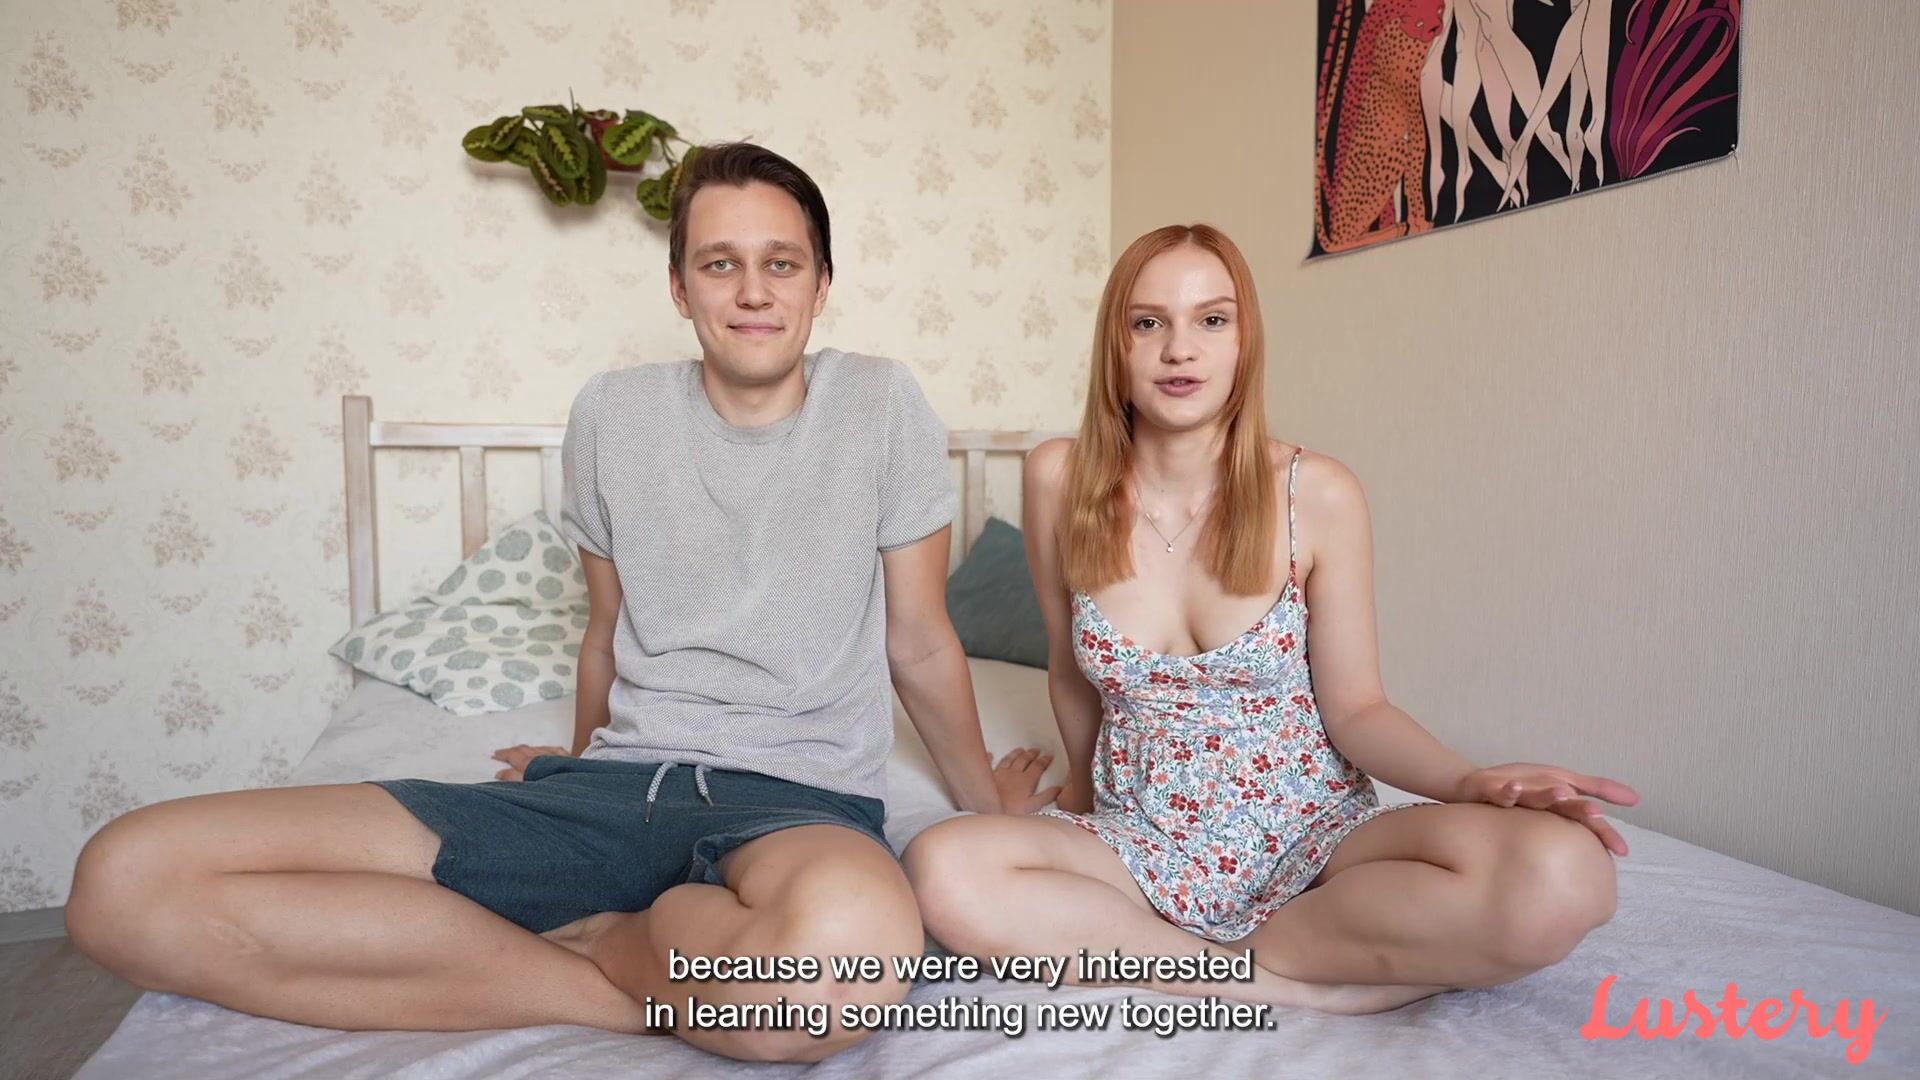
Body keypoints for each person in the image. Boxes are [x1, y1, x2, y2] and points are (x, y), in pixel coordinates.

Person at [65, 142, 1055, 1064]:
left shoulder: (879, 404)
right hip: (611, 793)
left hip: (798, 806)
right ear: (679, 287)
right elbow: (606, 631)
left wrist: (982, 804)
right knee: (125, 880)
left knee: (839, 971)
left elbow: (919, 641)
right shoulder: (613, 414)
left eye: (781, 264)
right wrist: (573, 764)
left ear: (822, 283)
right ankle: (619, 972)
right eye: (719, 264)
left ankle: (605, 944)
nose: (753, 290)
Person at [904, 223, 1639, 1014]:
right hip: (1139, 842)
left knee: (1569, 874)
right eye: (1147, 322)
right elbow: (1069, 672)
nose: (1179, 349)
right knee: (941, 864)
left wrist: (1468, 782)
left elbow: (1359, 709)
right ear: (1115, 343)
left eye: (1211, 320)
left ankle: (1247, 955)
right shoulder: (1060, 476)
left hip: (1315, 840)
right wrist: (1073, 808)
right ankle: (1274, 981)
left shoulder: (1316, 492)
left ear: (1244, 340)